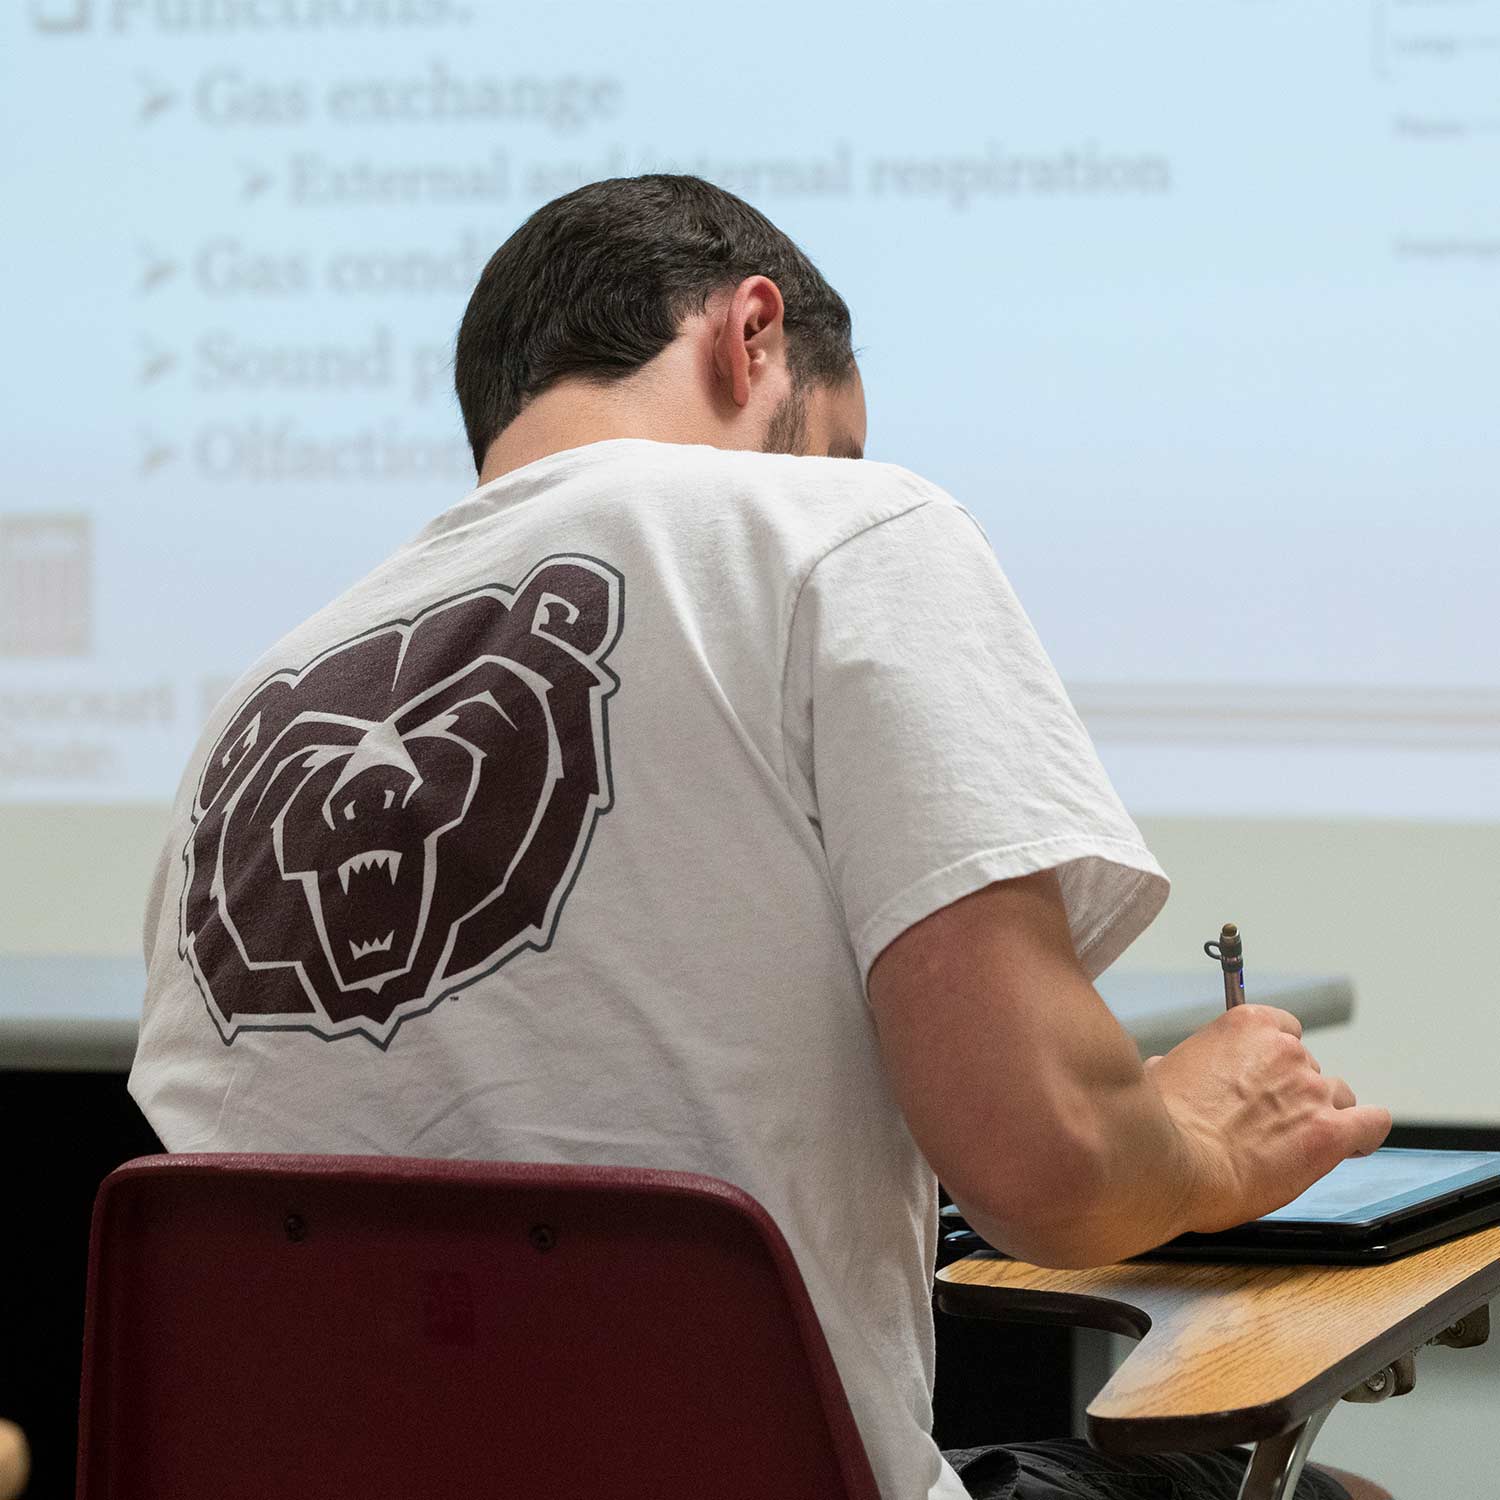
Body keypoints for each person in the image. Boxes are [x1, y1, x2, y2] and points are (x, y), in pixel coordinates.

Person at [130, 174, 1393, 1500]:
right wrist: (1206, 1135)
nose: (840, 480)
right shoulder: (851, 535)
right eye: (833, 445)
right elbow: (1051, 1170)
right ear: (751, 334)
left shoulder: (247, 722)